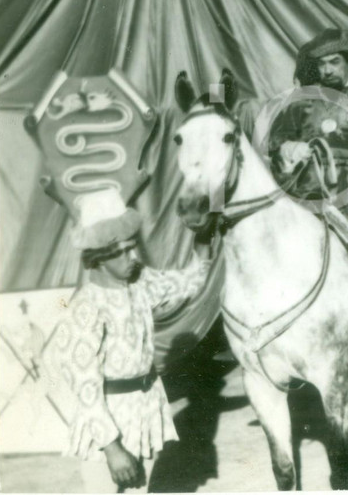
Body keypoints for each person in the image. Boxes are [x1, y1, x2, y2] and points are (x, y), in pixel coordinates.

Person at [42, 188, 214, 493]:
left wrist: (203, 240)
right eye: (122, 251)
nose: (133, 257)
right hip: (106, 421)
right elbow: (84, 384)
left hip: (144, 409)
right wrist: (112, 448)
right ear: (98, 257)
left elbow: (187, 283)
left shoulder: (138, 282)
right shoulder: (87, 306)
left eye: (133, 247)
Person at [265, 27, 348, 362]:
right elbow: (276, 137)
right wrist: (288, 144)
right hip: (307, 189)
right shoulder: (306, 97)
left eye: (333, 63)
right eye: (321, 65)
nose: (326, 71)